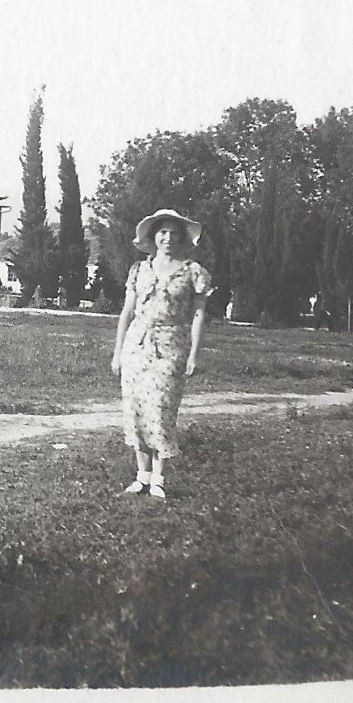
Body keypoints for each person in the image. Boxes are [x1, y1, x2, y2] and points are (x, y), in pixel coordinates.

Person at [109, 208, 213, 500]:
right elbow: (127, 313)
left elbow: (197, 316)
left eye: (174, 233)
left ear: (181, 238)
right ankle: (141, 476)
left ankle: (159, 478)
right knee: (136, 409)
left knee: (162, 409)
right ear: (153, 236)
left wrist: (193, 354)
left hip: (171, 345)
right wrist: (118, 352)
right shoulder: (139, 270)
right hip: (137, 345)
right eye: (162, 232)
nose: (168, 238)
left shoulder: (193, 272)